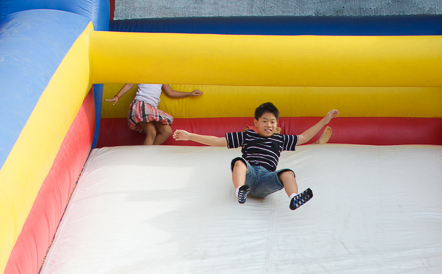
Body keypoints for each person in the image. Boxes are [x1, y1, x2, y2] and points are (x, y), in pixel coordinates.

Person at [173, 102, 339, 210]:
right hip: (249, 175)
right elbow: (217, 140)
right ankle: (240, 190)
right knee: (239, 162)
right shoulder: (247, 136)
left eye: (272, 121)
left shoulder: (279, 139)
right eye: (264, 121)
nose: (269, 125)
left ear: (277, 124)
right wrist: (190, 136)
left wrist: (325, 120)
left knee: (288, 172)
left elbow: (303, 137)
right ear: (256, 122)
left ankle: (294, 198)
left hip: (267, 179)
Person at [104, 83, 203, 145]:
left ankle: (148, 153)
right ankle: (145, 159)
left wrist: (189, 93)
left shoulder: (161, 77)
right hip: (141, 104)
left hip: (151, 108)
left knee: (167, 131)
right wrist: (117, 96)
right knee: (151, 133)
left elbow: (171, 93)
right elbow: (129, 85)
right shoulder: (143, 73)